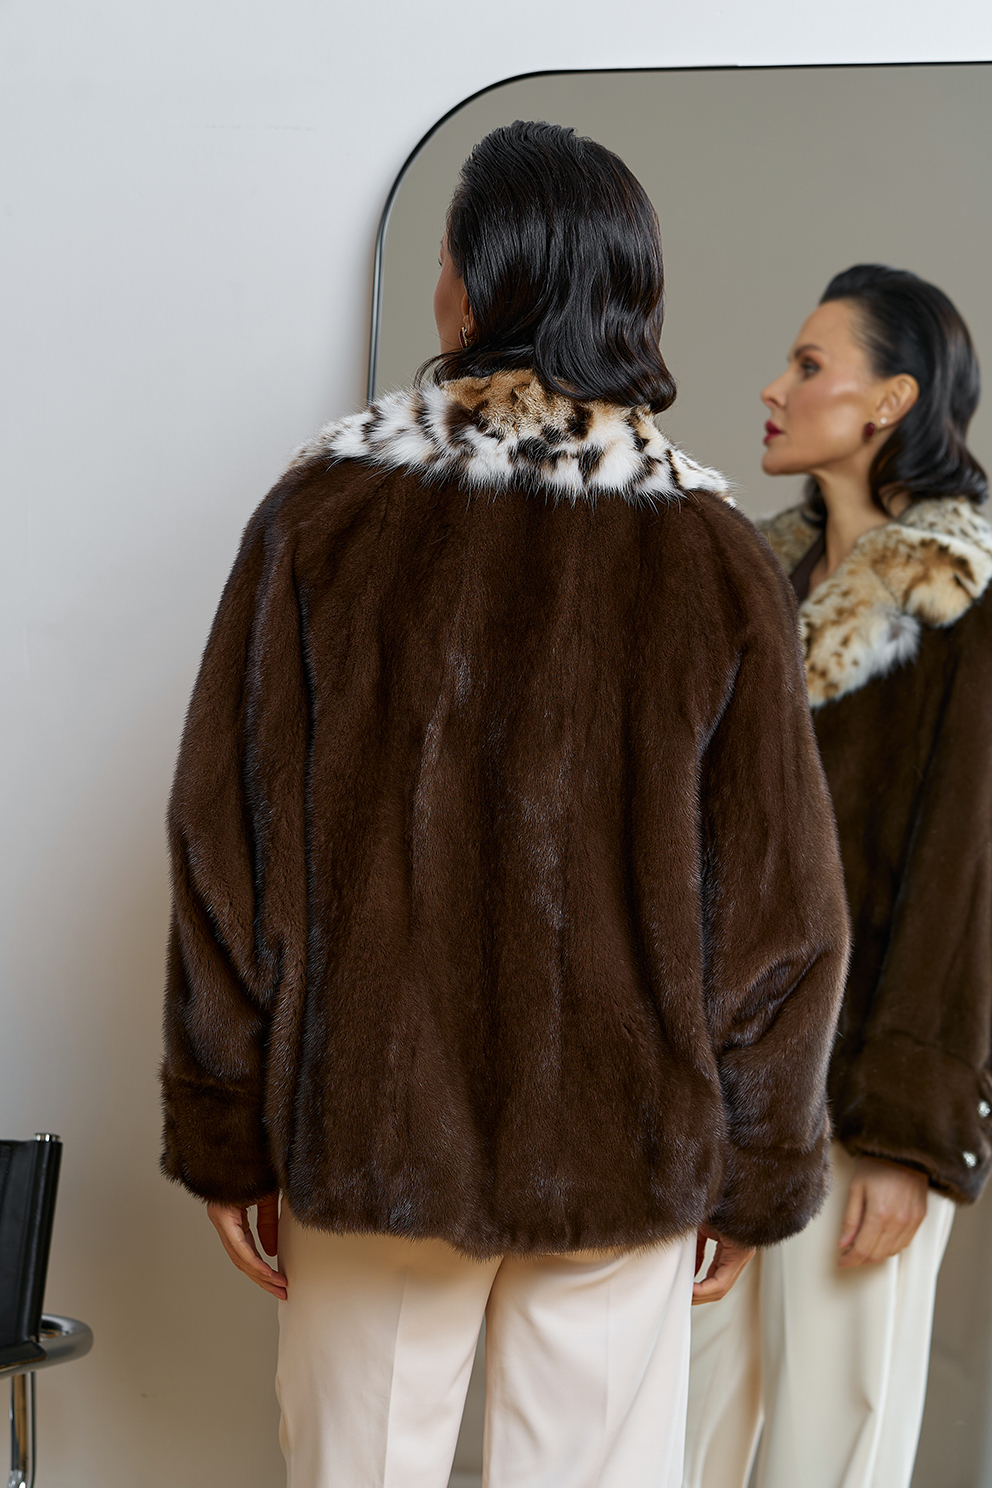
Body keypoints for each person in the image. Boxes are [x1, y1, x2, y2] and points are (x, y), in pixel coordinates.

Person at [160, 120, 848, 1488]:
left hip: (375, 1135)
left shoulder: (323, 521)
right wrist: (752, 1157)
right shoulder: (713, 557)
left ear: (476, 286)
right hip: (623, 1145)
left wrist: (229, 1125)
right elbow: (777, 906)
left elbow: (225, 844)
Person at [684, 264, 992, 1488]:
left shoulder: (964, 605)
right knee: (674, 1441)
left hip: (860, 1107)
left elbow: (964, 884)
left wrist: (906, 1140)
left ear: (888, 400)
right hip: (722, 1101)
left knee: (828, 1452)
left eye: (809, 365)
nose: (772, 387)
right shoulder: (748, 597)